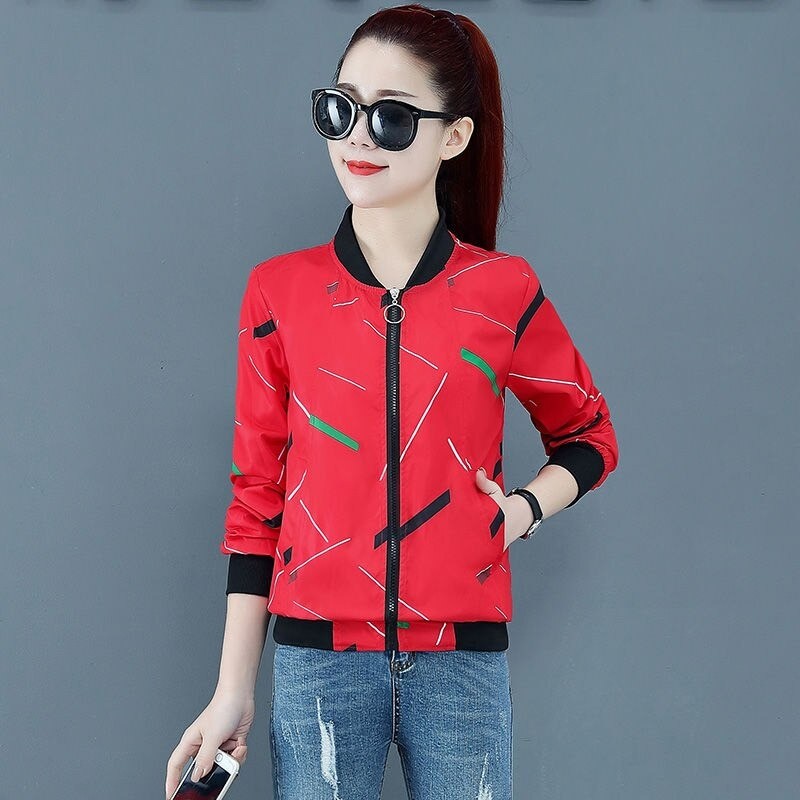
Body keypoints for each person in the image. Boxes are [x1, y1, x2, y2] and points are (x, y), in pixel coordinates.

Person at [165, 4, 619, 799]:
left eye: (392, 117)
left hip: (461, 663)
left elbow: (589, 434)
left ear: (455, 136)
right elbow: (257, 501)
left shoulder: (502, 290)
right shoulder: (279, 292)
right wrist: (233, 688)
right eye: (340, 109)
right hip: (318, 664)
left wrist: (520, 512)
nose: (358, 139)